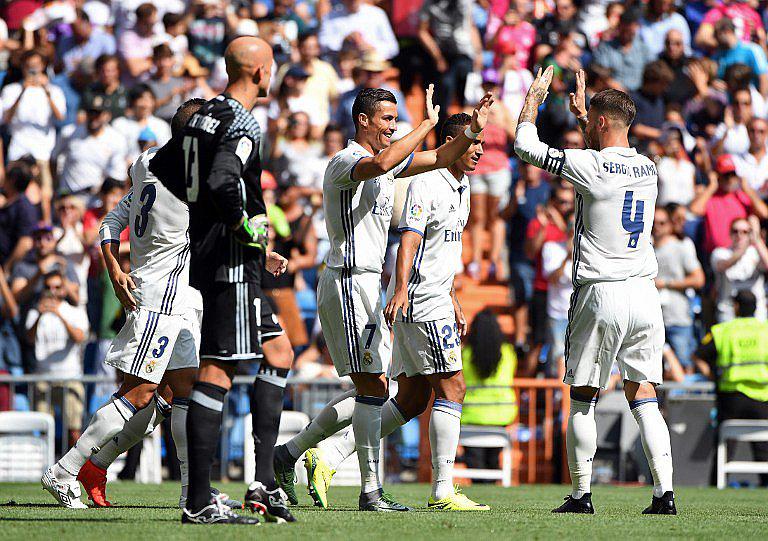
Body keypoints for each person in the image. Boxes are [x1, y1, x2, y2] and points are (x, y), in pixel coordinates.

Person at [271, 90, 492, 511]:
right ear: (362, 120)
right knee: (373, 386)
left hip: (369, 285)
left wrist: (474, 129)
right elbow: (383, 163)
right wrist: (425, 126)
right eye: (387, 120)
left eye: (395, 120)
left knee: (376, 386)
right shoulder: (345, 161)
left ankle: (291, 454)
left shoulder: (391, 165)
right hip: (347, 280)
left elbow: (442, 158)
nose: (392, 127)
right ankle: (370, 490)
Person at [514, 67, 676, 514]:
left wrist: (534, 99)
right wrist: (587, 115)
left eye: (590, 122)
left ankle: (581, 495)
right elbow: (608, 161)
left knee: (583, 393)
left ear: (601, 124)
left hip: (601, 290)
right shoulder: (648, 166)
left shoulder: (588, 164)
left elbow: (524, 146)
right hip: (645, 292)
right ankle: (665, 495)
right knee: (643, 394)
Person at [40, 99, 212, 510]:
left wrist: (114, 265)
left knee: (179, 392)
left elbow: (112, 218)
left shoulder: (147, 162)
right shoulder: (191, 182)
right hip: (161, 296)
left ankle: (193, 493)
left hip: (176, 296)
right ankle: (65, 470)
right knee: (139, 393)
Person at [148, 36, 292, 525]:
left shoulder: (202, 115)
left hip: (221, 258)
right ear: (259, 72)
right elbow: (221, 181)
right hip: (230, 264)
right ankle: (199, 500)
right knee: (218, 370)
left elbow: (165, 167)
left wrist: (208, 221)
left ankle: (265, 481)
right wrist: (241, 226)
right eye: (272, 68)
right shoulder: (241, 121)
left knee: (278, 352)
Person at [694, 290, 768, 487]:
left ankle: (717, 484)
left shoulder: (722, 331)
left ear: (735, 307)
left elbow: (698, 356)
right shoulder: (765, 330)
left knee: (724, 447)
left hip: (731, 397)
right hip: (763, 398)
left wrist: (712, 377)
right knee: (763, 448)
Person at [27, 269, 89, 446]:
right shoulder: (35, 311)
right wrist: (40, 314)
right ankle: (44, 469)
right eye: (48, 287)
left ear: (64, 289)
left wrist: (58, 314)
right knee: (43, 429)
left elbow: (79, 337)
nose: (52, 291)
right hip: (43, 378)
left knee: (74, 430)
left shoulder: (75, 311)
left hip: (69, 377)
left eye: (57, 286)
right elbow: (29, 339)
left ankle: (74, 471)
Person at [460, 309, 517, 473]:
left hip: (470, 416)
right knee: (493, 461)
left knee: (475, 463)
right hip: (501, 416)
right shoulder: (508, 353)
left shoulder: (465, 354)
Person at [652, 207, 705, 370]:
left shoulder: (680, 246)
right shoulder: (645, 248)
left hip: (678, 317)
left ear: (669, 225)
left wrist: (666, 283)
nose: (657, 226)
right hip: (652, 318)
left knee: (684, 364)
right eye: (653, 223)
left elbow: (699, 279)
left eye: (662, 223)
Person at [52, 95, 127, 197]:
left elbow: (117, 175)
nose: (93, 117)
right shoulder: (69, 133)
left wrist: (102, 191)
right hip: (69, 196)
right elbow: (53, 157)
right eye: (91, 113)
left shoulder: (116, 139)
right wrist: (55, 184)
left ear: (107, 116)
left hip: (96, 199)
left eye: (98, 114)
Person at [711, 216, 768, 323]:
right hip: (728, 315)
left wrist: (757, 238)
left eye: (745, 232)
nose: (739, 235)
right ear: (729, 233)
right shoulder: (720, 253)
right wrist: (745, 246)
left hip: (756, 315)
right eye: (735, 231)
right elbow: (724, 265)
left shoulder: (755, 252)